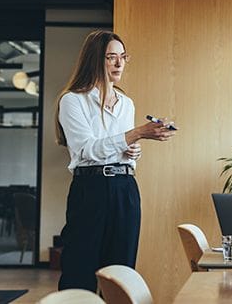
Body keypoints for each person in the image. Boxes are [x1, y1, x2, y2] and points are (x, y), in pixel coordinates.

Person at [55, 30, 176, 291]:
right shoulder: (73, 100)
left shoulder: (126, 103)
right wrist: (136, 134)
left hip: (125, 189)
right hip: (91, 190)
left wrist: (133, 151)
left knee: (122, 273)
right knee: (79, 269)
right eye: (111, 57)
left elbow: (121, 147)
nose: (119, 64)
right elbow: (87, 150)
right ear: (95, 60)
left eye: (123, 57)